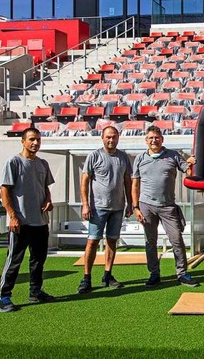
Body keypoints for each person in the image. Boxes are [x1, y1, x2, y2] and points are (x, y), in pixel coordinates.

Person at [132, 126, 199, 288]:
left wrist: (190, 162)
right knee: (150, 241)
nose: (154, 140)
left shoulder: (173, 155)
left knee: (177, 240)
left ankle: (182, 274)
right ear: (146, 141)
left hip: (168, 206)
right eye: (150, 138)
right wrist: (135, 207)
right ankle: (154, 273)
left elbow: (188, 172)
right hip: (146, 205)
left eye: (157, 137)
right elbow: (135, 185)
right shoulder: (140, 158)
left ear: (162, 139)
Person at [0, 127, 55, 313]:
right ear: (23, 141)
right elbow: (5, 190)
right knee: (14, 260)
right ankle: (4, 297)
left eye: (38, 139)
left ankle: (35, 291)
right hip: (20, 222)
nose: (35, 143)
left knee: (38, 260)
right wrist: (13, 216)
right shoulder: (13, 162)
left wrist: (48, 200)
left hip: (40, 221)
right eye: (31, 139)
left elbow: (45, 188)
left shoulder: (43, 164)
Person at [77, 126, 132, 294]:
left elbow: (127, 181)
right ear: (102, 137)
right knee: (92, 241)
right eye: (108, 137)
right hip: (97, 207)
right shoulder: (94, 156)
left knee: (112, 240)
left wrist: (130, 203)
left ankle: (107, 275)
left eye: (114, 137)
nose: (111, 140)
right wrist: (85, 204)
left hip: (117, 207)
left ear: (118, 138)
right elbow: (85, 180)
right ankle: (86, 277)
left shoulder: (123, 157)